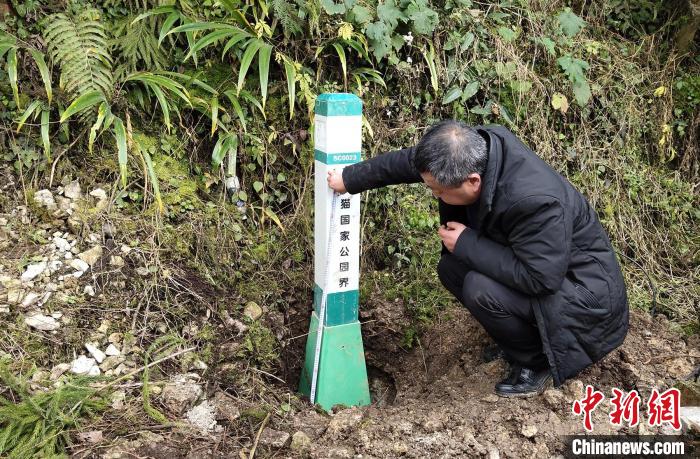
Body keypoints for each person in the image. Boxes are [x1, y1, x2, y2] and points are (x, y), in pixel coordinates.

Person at [327, 120, 629, 398]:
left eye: (439, 192)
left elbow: (541, 278)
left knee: (478, 287)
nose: (435, 196)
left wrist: (468, 242)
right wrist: (350, 179)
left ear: (472, 181)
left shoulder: (536, 202)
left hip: (585, 298)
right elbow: (408, 163)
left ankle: (537, 362)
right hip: (547, 271)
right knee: (452, 268)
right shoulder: (471, 150)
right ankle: (518, 341)